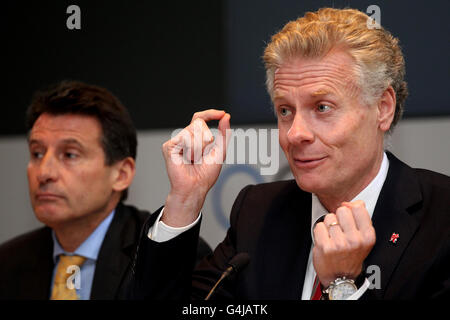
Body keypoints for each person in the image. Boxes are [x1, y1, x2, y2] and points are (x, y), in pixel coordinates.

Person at [132, 8, 450, 299]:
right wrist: (185, 199)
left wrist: (341, 286)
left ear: (382, 108)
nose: (295, 133)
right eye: (285, 110)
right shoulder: (259, 211)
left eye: (322, 107)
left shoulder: (441, 220)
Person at [0, 81, 211, 300]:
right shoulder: (8, 263)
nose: (44, 173)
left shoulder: (169, 255)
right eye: (37, 153)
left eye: (70, 155)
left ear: (121, 174)